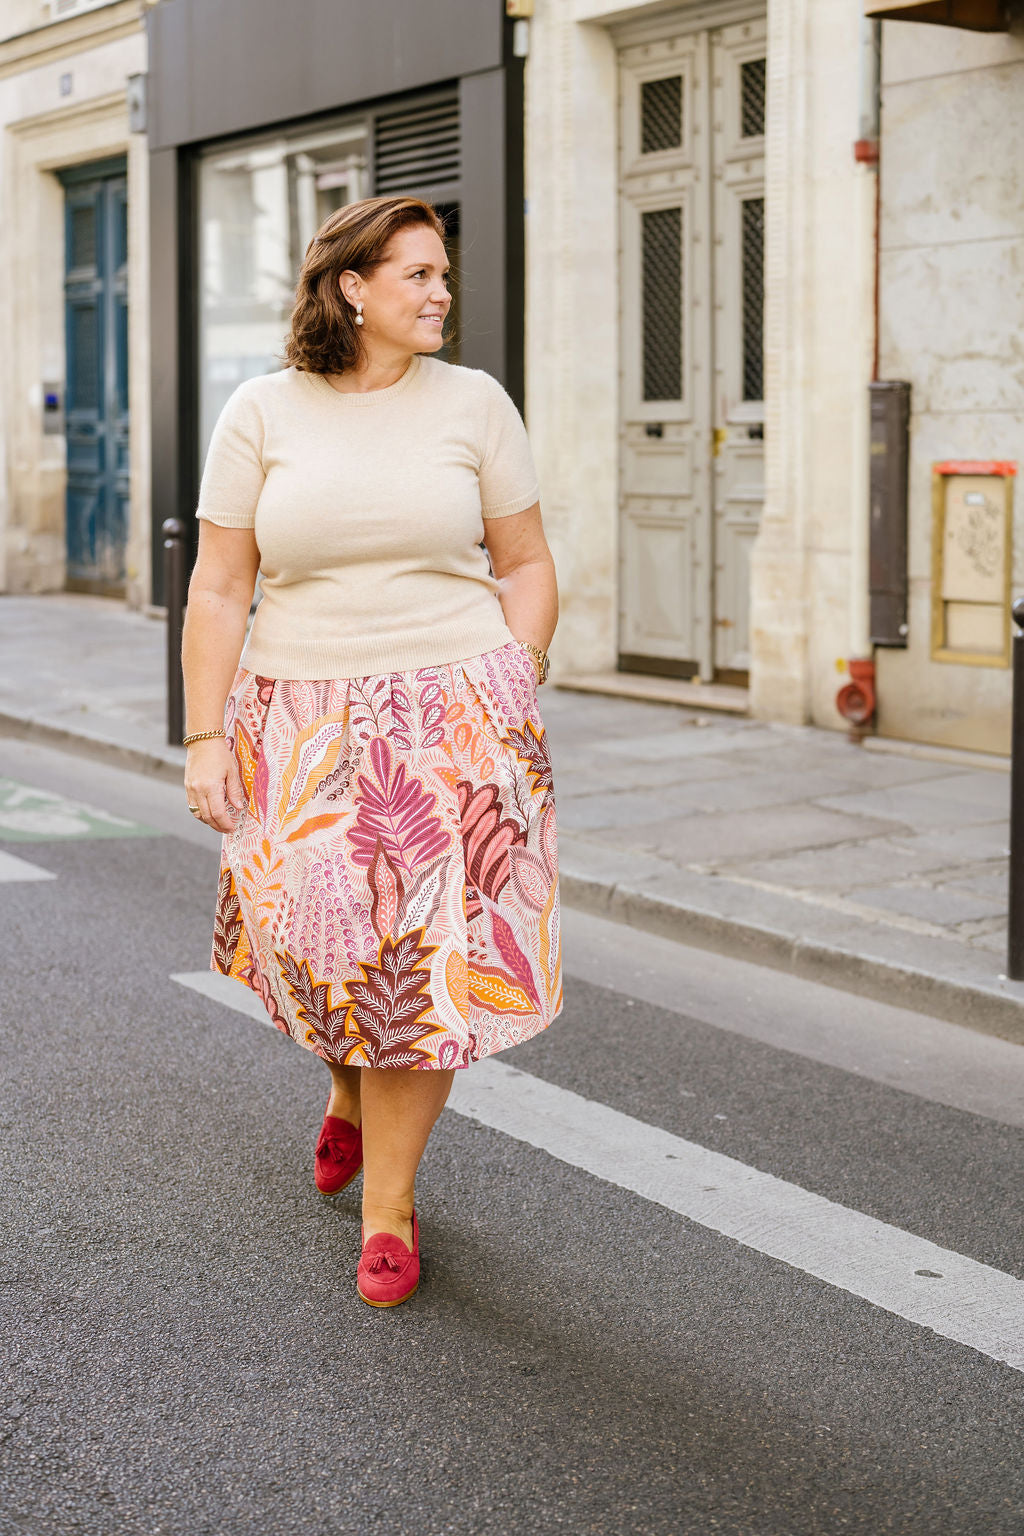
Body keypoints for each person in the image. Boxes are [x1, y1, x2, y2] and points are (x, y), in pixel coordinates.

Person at [181, 195, 562, 1308]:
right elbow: (219, 585)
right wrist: (206, 737)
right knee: (330, 954)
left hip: (457, 724)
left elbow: (527, 561)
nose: (442, 293)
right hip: (298, 722)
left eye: (444, 274)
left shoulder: (476, 404)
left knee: (426, 975)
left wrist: (514, 671)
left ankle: (388, 1208)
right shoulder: (262, 412)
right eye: (417, 275)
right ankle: (345, 1094)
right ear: (352, 288)